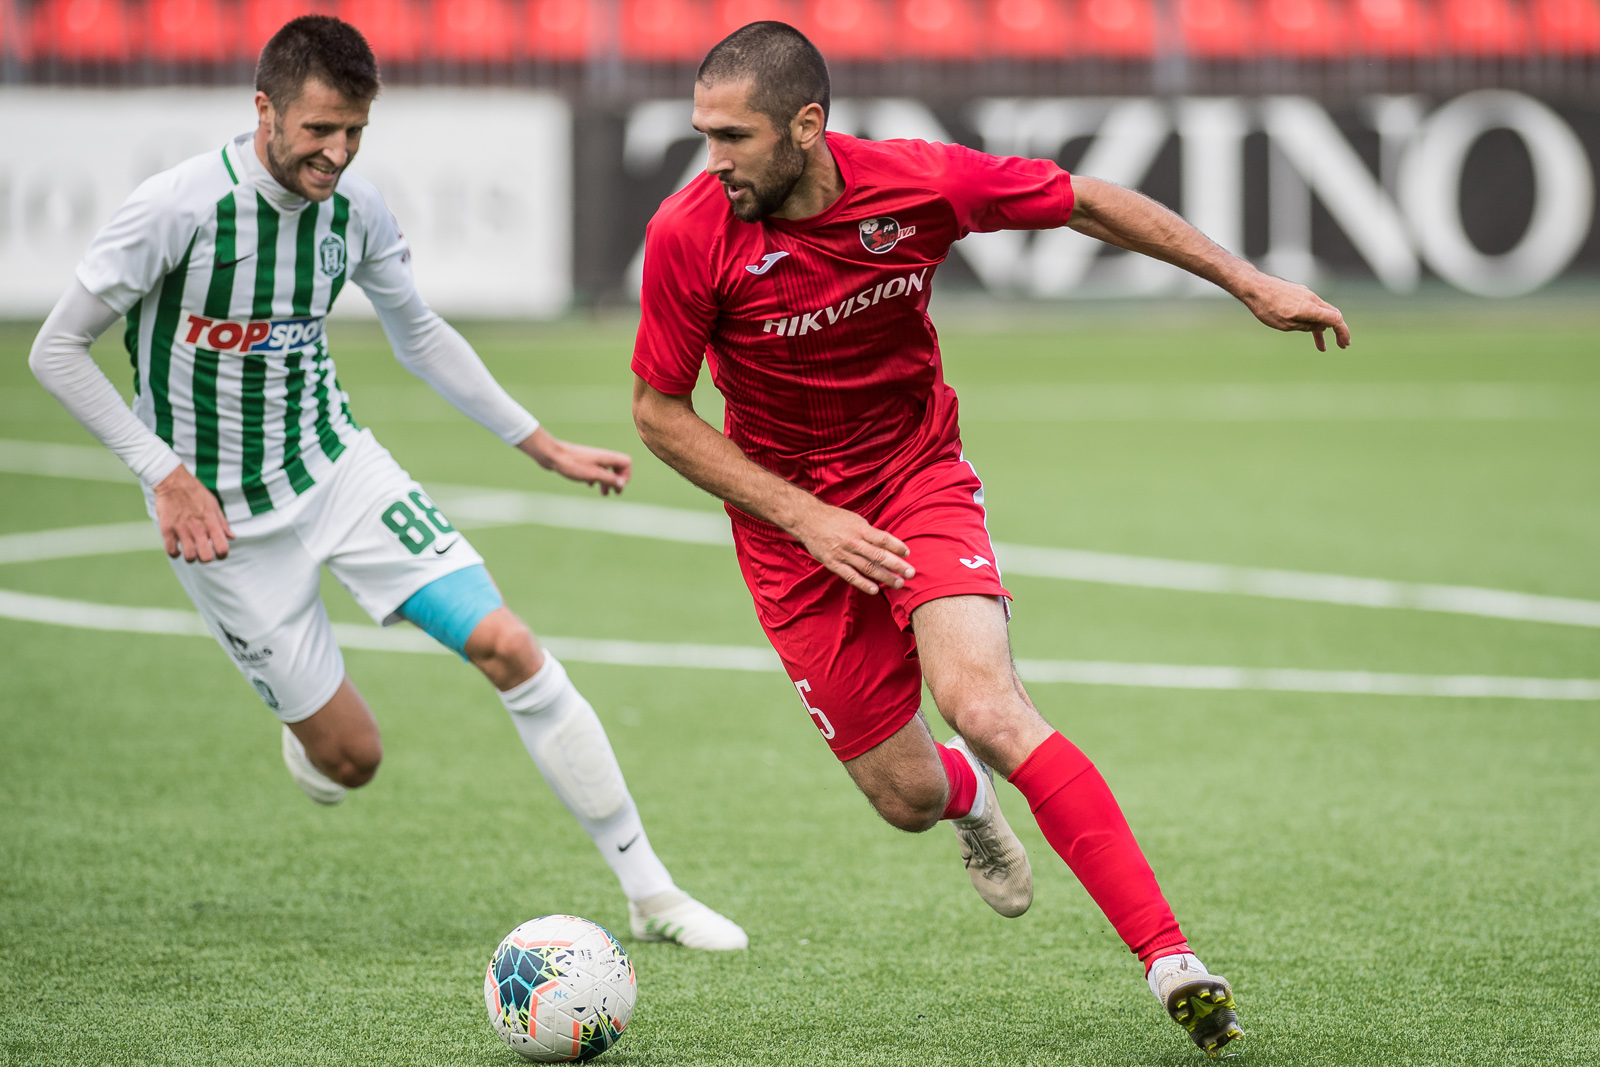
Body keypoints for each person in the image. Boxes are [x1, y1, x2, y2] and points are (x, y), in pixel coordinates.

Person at [632, 20, 1352, 1054]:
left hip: (914, 475)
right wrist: (807, 517)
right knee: (906, 795)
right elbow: (658, 412)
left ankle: (1169, 958)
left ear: (807, 124)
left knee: (983, 700)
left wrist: (1249, 282)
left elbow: (1088, 199)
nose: (715, 159)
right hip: (792, 530)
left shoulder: (918, 184)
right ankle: (965, 800)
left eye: (733, 137)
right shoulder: (689, 233)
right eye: (703, 134)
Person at [29, 15, 745, 952]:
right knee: (350, 761)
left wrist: (541, 444)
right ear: (265, 110)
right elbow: (56, 349)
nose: (337, 152)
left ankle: (651, 894)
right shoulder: (179, 208)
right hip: (217, 519)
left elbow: (421, 334)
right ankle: (308, 721)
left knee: (509, 645)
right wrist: (162, 473)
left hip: (335, 466)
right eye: (319, 129)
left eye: (355, 131)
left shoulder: (356, 211)